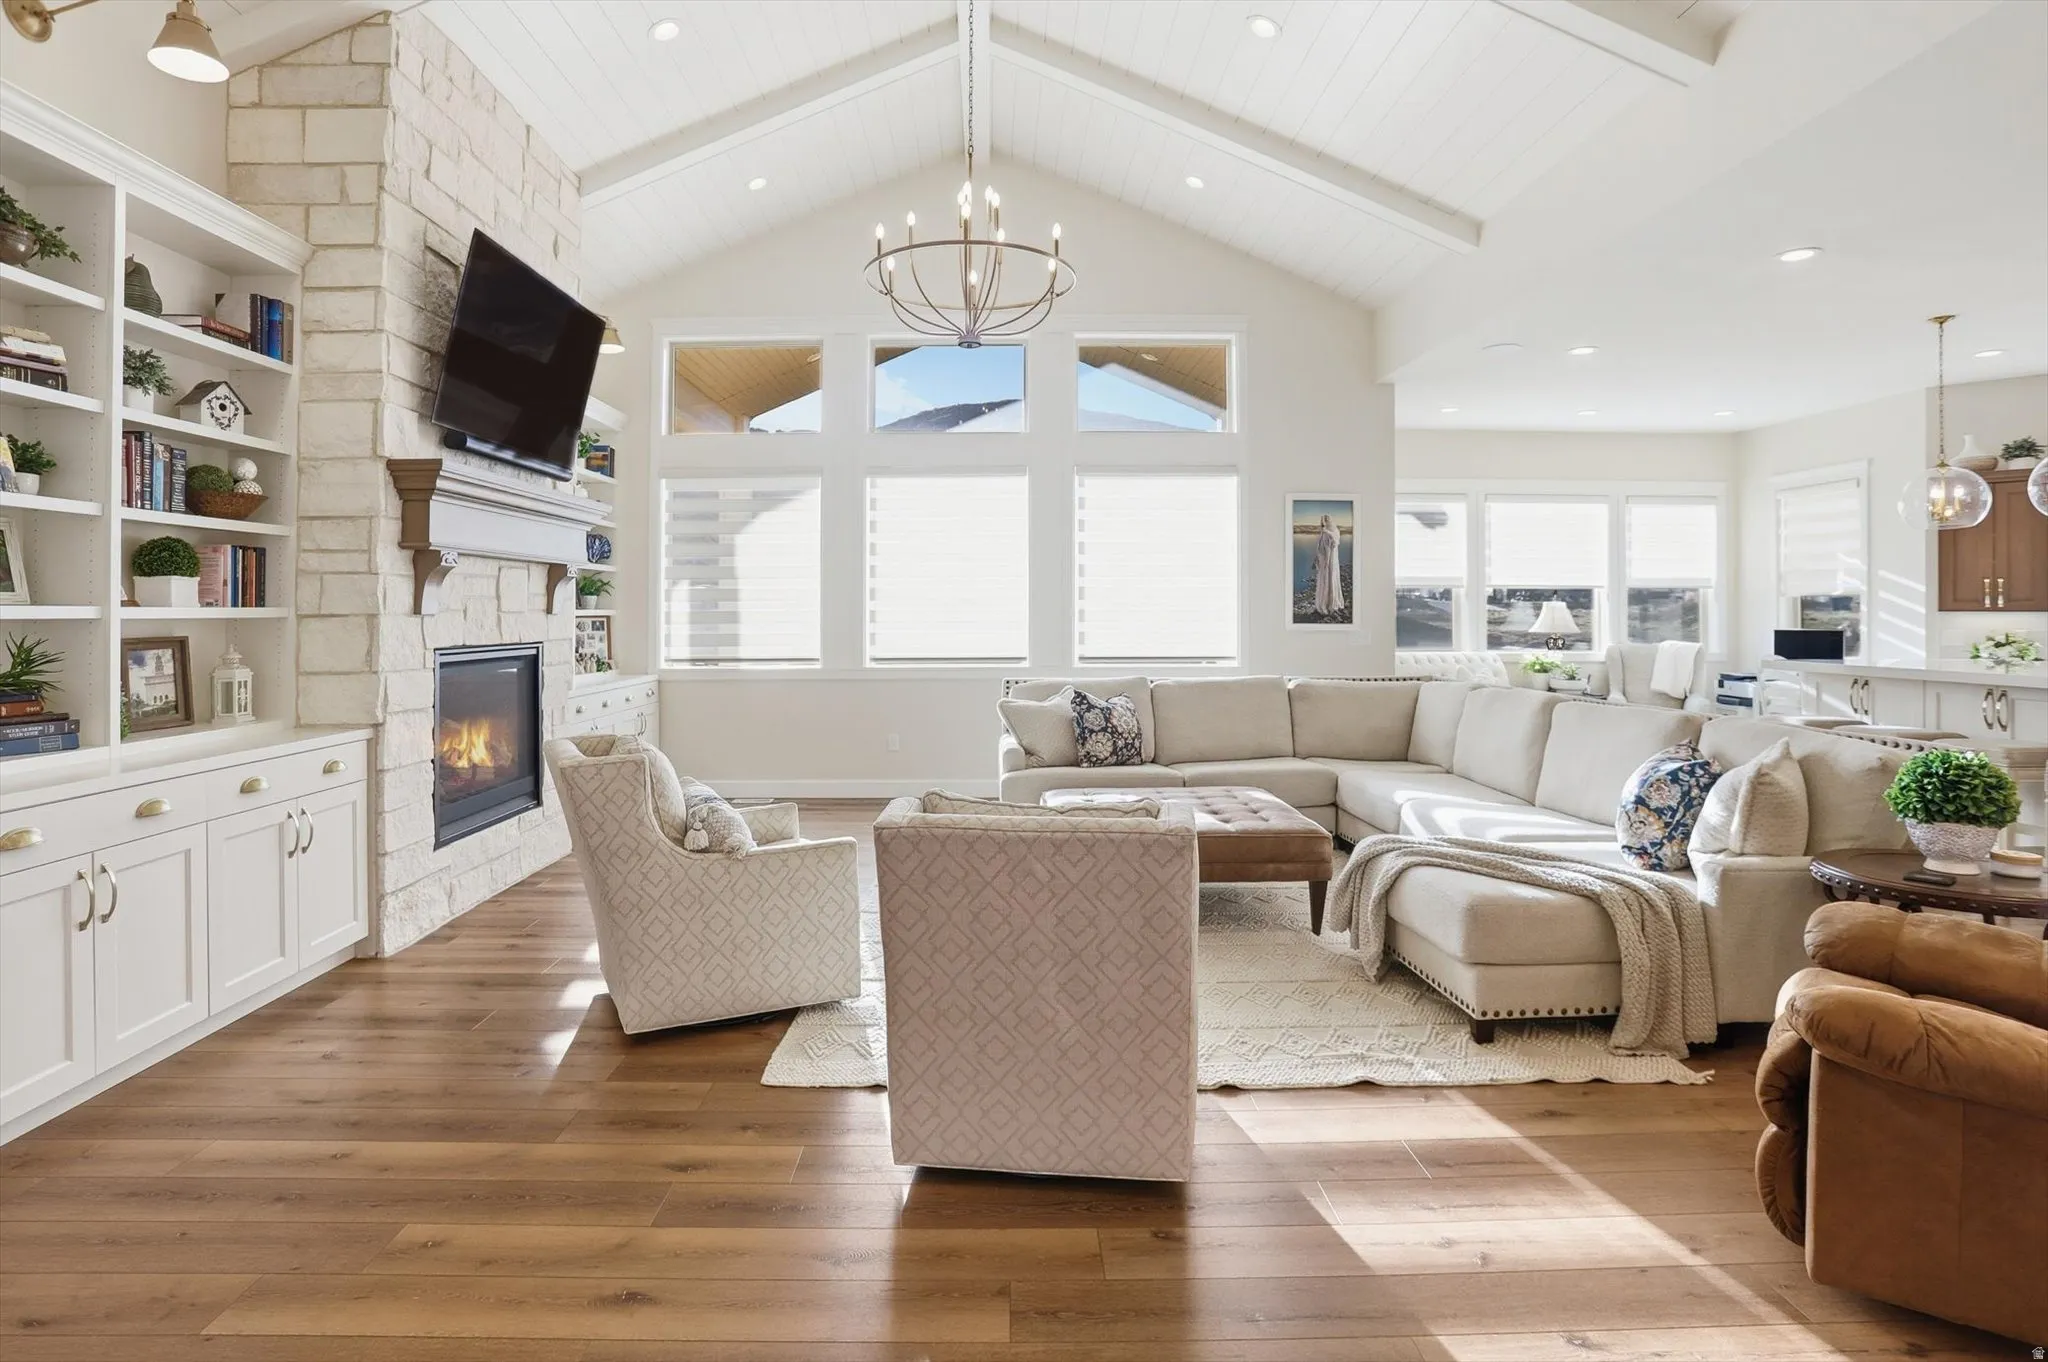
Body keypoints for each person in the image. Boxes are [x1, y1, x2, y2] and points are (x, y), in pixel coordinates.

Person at [1313, 512, 1345, 617]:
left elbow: (1331, 546)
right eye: (1322, 522)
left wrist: (1325, 562)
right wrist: (1316, 559)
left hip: (1329, 561)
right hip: (1328, 562)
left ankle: (1329, 604)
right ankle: (1327, 603)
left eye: (1324, 521)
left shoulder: (1330, 532)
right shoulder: (1329, 532)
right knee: (1328, 580)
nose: (1322, 524)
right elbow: (1320, 548)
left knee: (1328, 579)